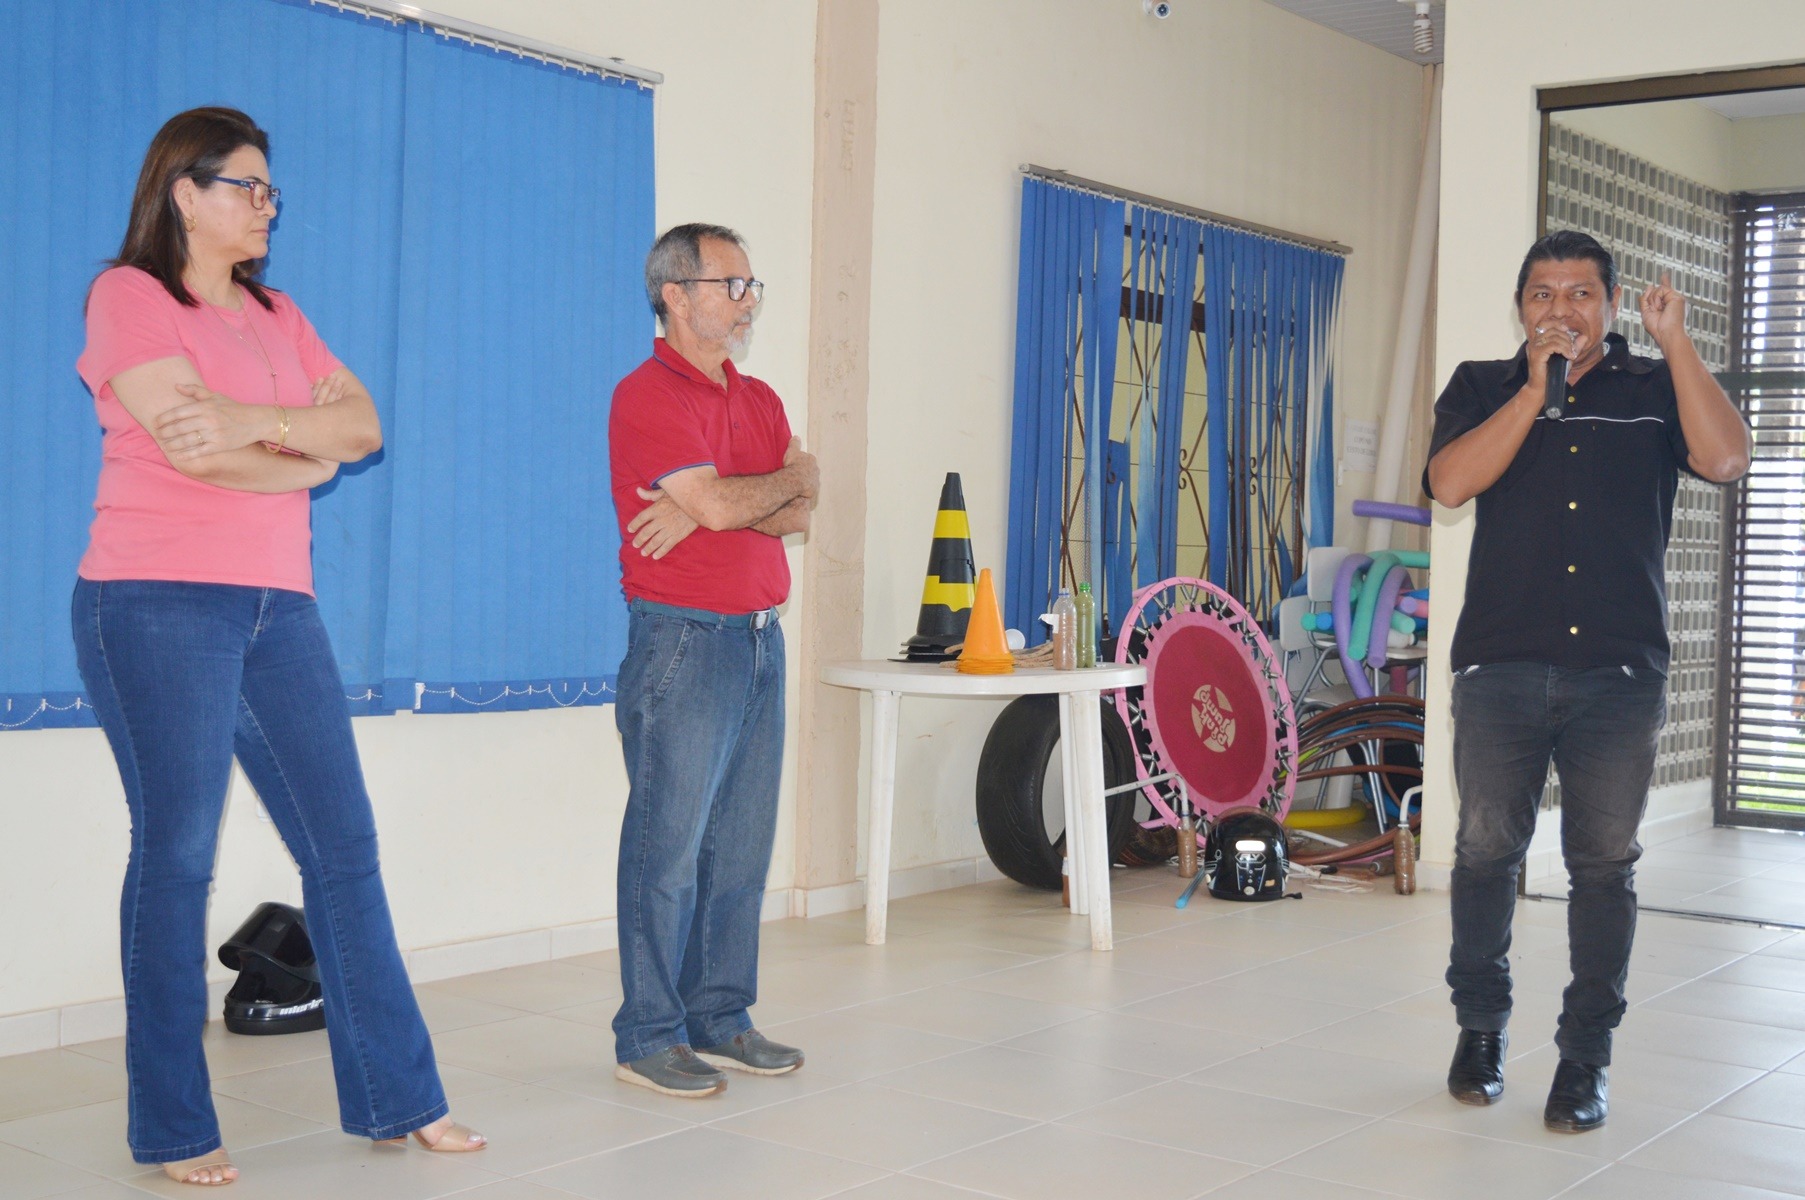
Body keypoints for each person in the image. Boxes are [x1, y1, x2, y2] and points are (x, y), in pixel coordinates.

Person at [72, 107, 484, 1185]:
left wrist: (262, 428)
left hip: (275, 605)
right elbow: (195, 457)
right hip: (153, 600)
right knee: (177, 857)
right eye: (247, 186)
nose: (267, 205)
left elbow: (363, 430)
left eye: (271, 191)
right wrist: (298, 440)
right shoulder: (128, 297)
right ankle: (173, 1124)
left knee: (343, 851)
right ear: (184, 193)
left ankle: (403, 1095)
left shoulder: (278, 310)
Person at [1424, 230, 1751, 1133]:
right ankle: (1480, 1030)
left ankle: (1583, 1059)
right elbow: (1450, 485)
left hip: (1618, 672)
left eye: (1578, 293)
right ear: (1519, 306)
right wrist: (1535, 391)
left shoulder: (1654, 390)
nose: (1558, 309)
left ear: (1610, 305)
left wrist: (1678, 343)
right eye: (1540, 293)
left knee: (1601, 867)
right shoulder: (1481, 386)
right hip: (1500, 666)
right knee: (1485, 854)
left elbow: (1726, 460)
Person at [607, 223, 816, 1097]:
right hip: (682, 643)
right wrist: (739, 499)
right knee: (667, 849)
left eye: (750, 285)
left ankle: (720, 1017)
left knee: (739, 849)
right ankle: (648, 1035)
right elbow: (769, 495)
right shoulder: (646, 395)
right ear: (675, 294)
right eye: (732, 284)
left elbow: (801, 504)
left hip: (759, 641)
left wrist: (717, 501)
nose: (747, 300)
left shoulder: (757, 396)